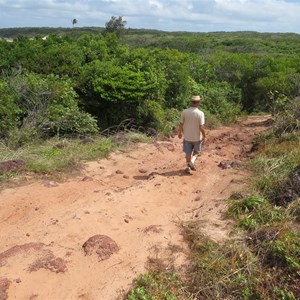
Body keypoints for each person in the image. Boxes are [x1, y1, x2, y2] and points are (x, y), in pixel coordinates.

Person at [178, 95, 206, 174]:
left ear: (191, 102)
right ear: (198, 103)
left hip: (187, 136)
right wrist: (204, 136)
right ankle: (192, 161)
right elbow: (201, 126)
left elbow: (181, 124)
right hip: (197, 137)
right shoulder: (200, 113)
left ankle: (188, 167)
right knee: (196, 152)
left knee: (188, 152)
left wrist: (179, 132)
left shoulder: (184, 111)